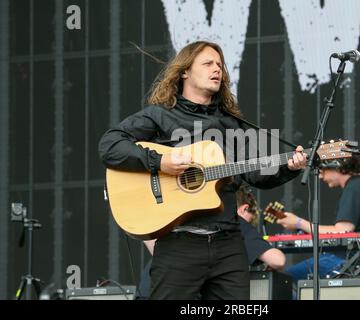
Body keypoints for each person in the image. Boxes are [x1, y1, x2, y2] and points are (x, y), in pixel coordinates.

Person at [98, 41, 306, 300]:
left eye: (219, 65)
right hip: (179, 243)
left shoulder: (232, 124)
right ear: (184, 71)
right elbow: (110, 145)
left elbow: (253, 174)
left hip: (228, 243)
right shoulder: (160, 116)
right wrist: (159, 162)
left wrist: (289, 166)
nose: (217, 69)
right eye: (208, 63)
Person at [135, 184, 286, 300]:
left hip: (148, 290)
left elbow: (149, 237)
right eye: (252, 220)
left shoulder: (179, 214)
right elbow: (277, 260)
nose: (251, 225)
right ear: (244, 209)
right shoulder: (234, 222)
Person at [276, 156, 360, 281]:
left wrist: (298, 223)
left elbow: (342, 231)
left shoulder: (354, 187)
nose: (320, 176)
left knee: (283, 280)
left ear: (337, 166)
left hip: (348, 261)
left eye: (322, 170)